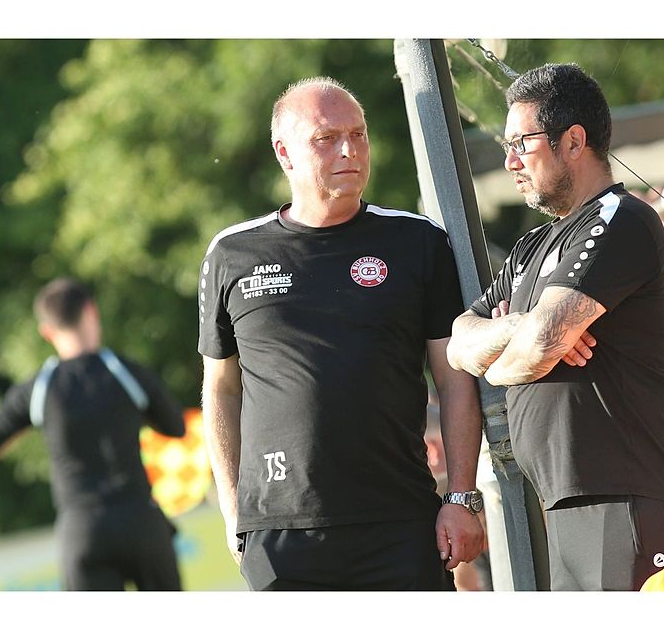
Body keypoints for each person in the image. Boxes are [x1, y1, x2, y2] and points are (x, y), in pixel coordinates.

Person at [198, 77, 485, 591]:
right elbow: (221, 388)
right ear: (284, 153)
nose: (349, 150)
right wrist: (232, 507)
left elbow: (455, 376)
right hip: (281, 533)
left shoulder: (417, 241)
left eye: (358, 134)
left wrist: (461, 496)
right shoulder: (231, 254)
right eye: (326, 138)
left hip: (400, 523)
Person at [446, 63, 664, 591]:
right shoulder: (529, 248)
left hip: (626, 496)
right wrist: (523, 326)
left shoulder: (620, 219)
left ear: (573, 141)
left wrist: (511, 352)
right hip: (564, 498)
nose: (509, 159)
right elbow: (458, 342)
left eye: (522, 142)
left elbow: (538, 349)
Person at [0, 278, 185, 591]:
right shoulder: (126, 373)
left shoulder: (39, 390)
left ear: (47, 331)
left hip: (83, 528)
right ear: (91, 312)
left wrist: (31, 423)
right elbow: (176, 427)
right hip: (141, 521)